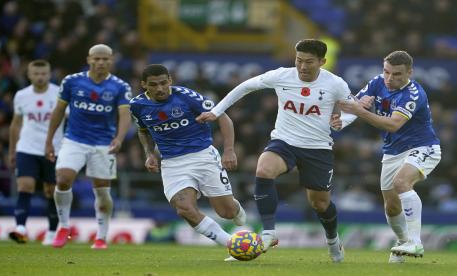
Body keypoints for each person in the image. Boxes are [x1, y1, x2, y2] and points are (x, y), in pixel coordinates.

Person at [196, 39, 353, 263]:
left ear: (322, 62)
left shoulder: (335, 83)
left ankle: (333, 241)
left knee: (320, 203)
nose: (303, 66)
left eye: (309, 62)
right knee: (263, 169)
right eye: (299, 60)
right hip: (284, 141)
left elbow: (354, 109)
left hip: (317, 148)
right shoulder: (282, 75)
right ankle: (269, 233)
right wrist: (217, 110)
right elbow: (246, 86)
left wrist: (342, 121)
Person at [333, 50, 441, 263]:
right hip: (392, 151)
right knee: (391, 207)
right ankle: (403, 243)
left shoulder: (414, 93)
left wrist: (360, 110)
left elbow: (392, 124)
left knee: (402, 182)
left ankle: (416, 242)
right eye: (387, 72)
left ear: (410, 72)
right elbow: (358, 104)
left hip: (423, 147)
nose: (390, 78)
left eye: (397, 74)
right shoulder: (377, 81)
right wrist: (342, 121)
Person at [130, 64, 246, 260]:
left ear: (170, 81)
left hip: (203, 157)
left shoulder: (186, 96)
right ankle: (232, 244)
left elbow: (223, 117)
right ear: (144, 85)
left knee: (226, 212)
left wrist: (229, 150)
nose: (159, 88)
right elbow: (143, 130)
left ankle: (234, 207)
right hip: (172, 163)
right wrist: (149, 153)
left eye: (163, 83)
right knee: (184, 209)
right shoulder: (137, 105)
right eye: (153, 84)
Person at [44, 44, 132, 249]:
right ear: (88, 59)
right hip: (74, 140)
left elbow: (124, 114)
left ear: (111, 61)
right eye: (97, 58)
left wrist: (119, 138)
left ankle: (101, 237)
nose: (101, 62)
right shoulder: (72, 81)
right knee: (63, 179)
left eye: (105, 59)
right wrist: (49, 140)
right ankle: (63, 226)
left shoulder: (120, 86)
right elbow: (58, 111)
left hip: (103, 144)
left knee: (102, 193)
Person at [8, 60, 63, 245]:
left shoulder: (59, 94)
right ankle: (20, 228)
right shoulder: (21, 96)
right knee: (25, 186)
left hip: (53, 148)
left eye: (44, 73)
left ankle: (52, 231)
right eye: (36, 74)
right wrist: (12, 151)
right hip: (27, 148)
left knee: (51, 191)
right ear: (29, 75)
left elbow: (71, 120)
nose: (40, 77)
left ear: (49, 74)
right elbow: (15, 125)